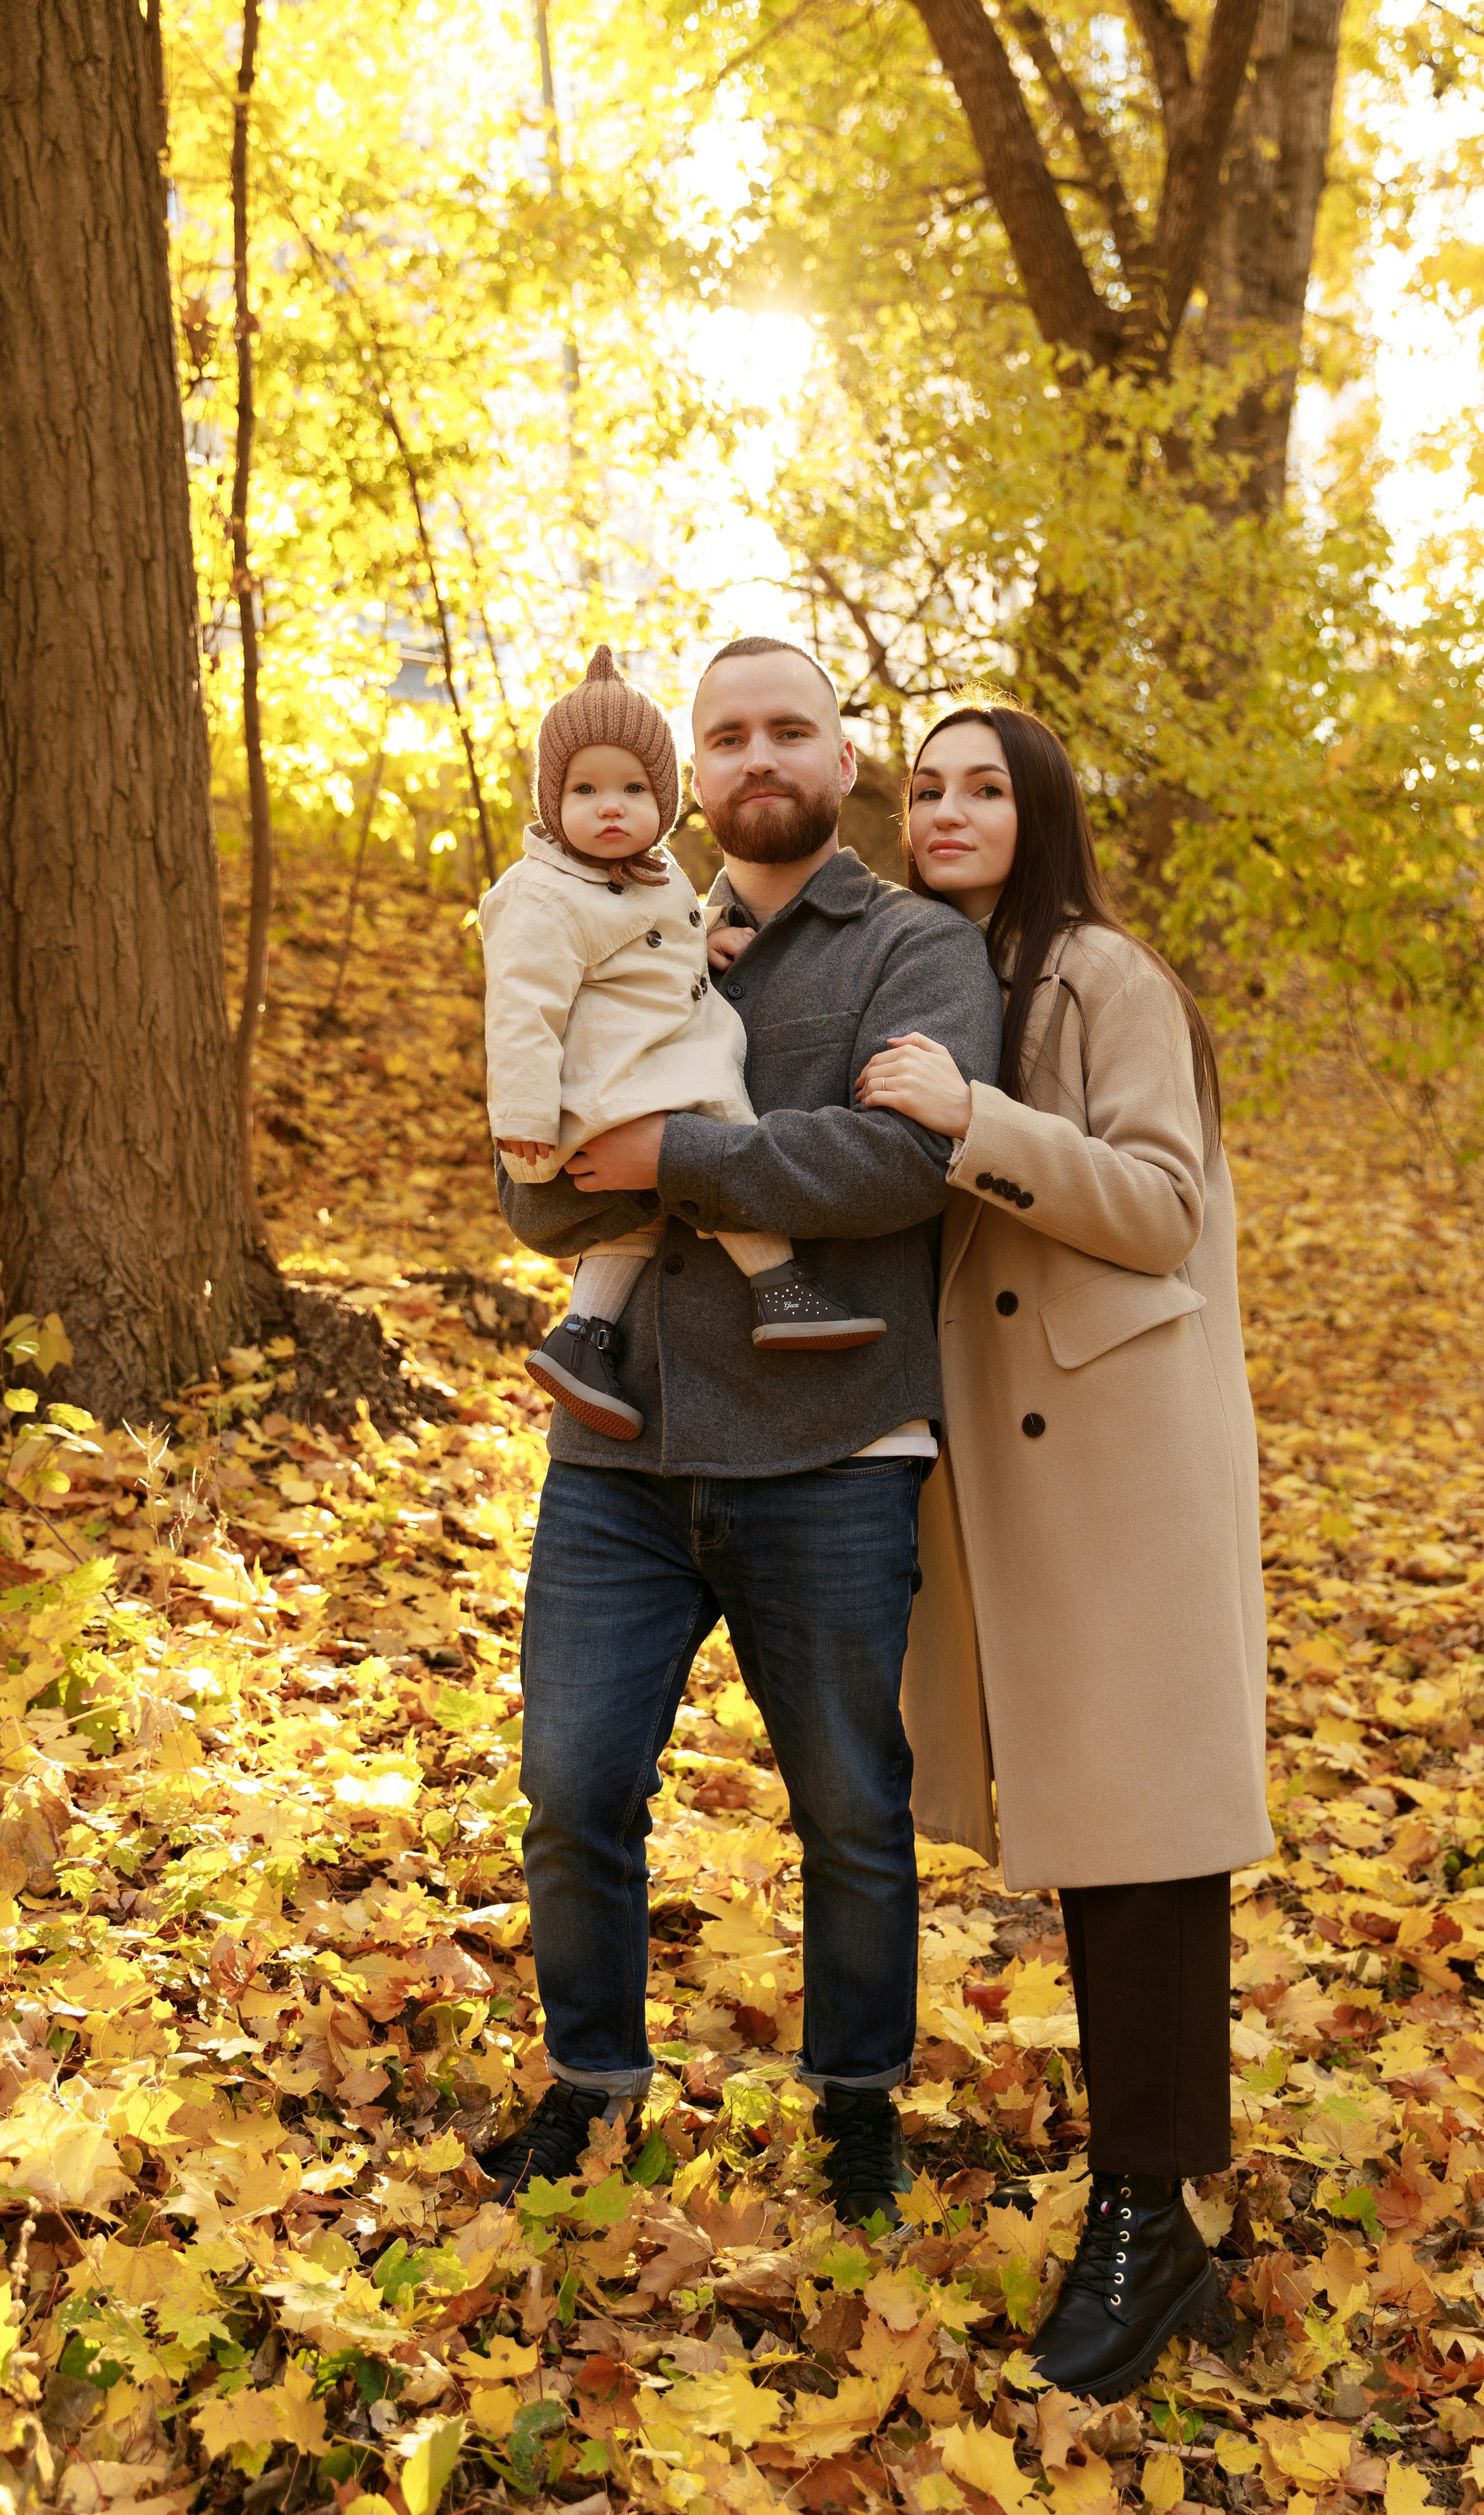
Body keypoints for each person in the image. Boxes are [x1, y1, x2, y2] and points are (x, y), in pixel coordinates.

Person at [477, 635, 1003, 2222]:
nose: (755, 756)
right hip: (617, 1446)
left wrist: (675, 1147)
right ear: (689, 776)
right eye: (725, 737)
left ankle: (855, 2105)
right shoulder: (614, 916)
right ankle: (591, 2083)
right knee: (571, 1784)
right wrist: (682, 1152)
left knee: (849, 1802)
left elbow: (902, 1170)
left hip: (832, 1447)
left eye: (792, 729)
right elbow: (530, 1188)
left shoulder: (913, 949)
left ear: (844, 764)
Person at [857, 700, 1272, 2398]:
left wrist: (974, 1123)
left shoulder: (1104, 974)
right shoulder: (943, 972)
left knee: (1146, 1837)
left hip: (1116, 1464)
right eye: (929, 789)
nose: (950, 810)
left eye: (985, 787)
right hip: (1021, 1463)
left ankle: (1150, 2217)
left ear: (1041, 810)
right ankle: (1155, 2205)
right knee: (1106, 1840)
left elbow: (1162, 1201)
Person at [481, 644, 885, 1442]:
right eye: (585, 790)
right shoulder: (538, 895)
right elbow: (522, 1020)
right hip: (618, 1079)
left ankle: (582, 1335)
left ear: (668, 799)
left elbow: (637, 941)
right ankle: (778, 1283)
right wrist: (526, 1124)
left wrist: (698, 945)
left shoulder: (655, 875)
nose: (610, 808)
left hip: (831, 1439)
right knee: (714, 1127)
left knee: (643, 1204)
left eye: (634, 789)